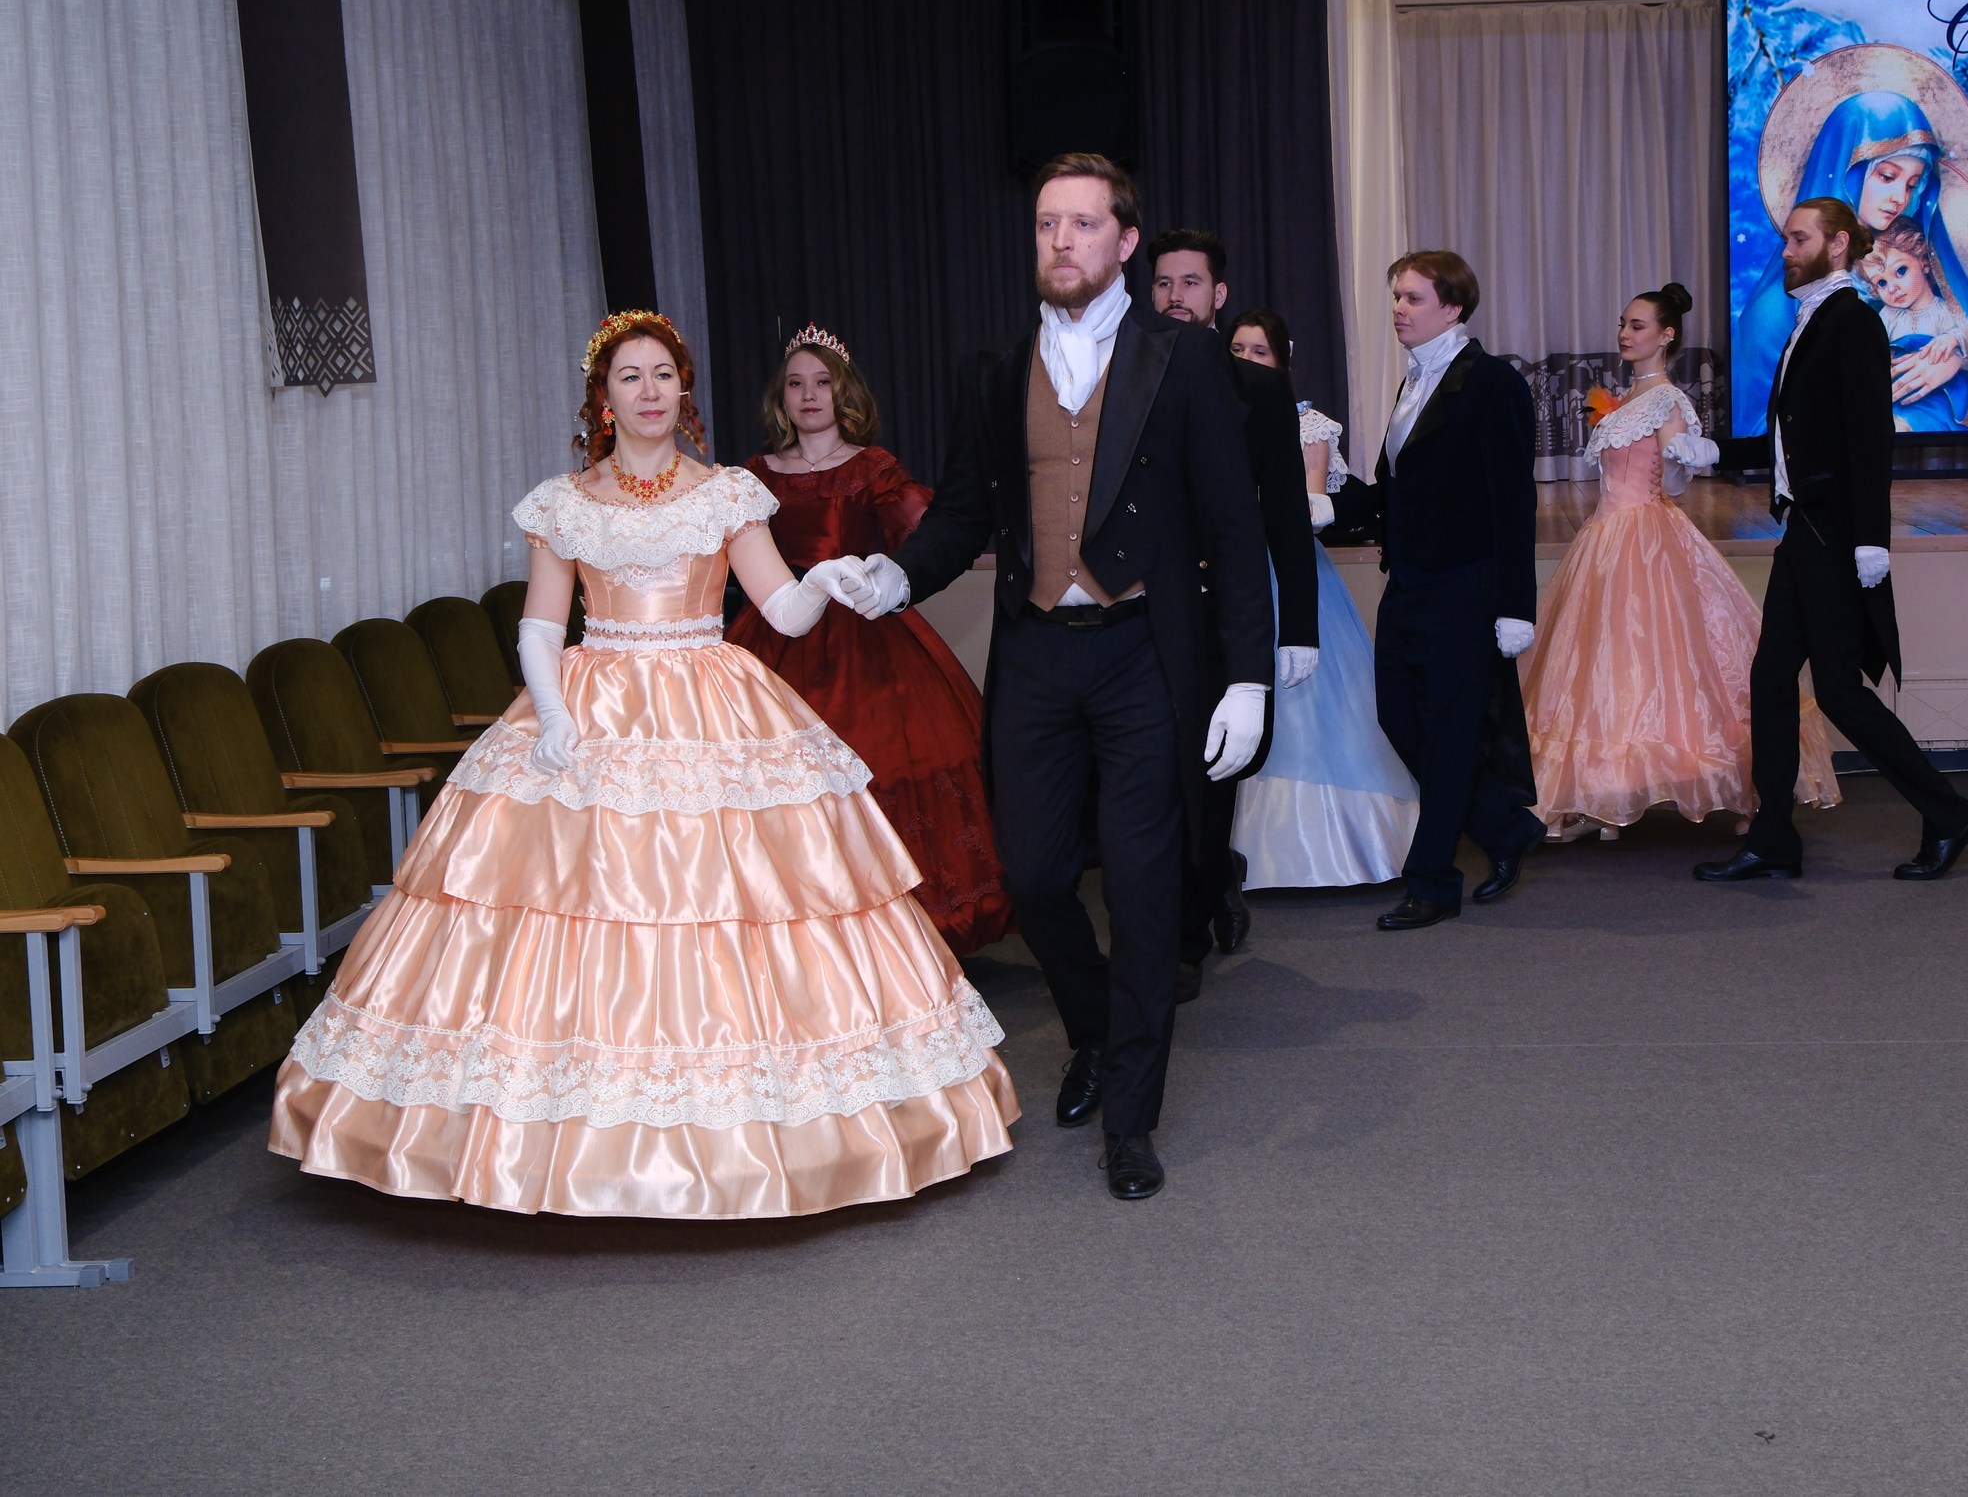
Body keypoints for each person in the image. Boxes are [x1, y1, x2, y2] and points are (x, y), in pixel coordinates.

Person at [271, 311, 1018, 1218]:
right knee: (561, 908)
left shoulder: (728, 492)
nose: (650, 390)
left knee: (733, 904)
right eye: (630, 376)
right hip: (593, 706)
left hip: (709, 701)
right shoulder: (565, 502)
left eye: (663, 374)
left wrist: (823, 580)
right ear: (605, 397)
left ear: (683, 390)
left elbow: (781, 611)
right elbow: (541, 626)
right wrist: (551, 714)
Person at [838, 155, 1273, 1200]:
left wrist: (1248, 678)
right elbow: (962, 516)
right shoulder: (994, 371)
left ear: (1124, 240)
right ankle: (1095, 1031)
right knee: (1033, 878)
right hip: (1036, 650)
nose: (1061, 241)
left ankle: (1131, 1116)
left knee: (1141, 887)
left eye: (1081, 224)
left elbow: (1231, 521)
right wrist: (895, 575)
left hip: (1144, 651)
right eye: (1046, 225)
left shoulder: (1182, 358)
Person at [1699, 200, 1968, 884]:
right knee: (1772, 678)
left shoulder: (1852, 319)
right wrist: (1716, 450)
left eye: (1798, 239)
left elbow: (1868, 435)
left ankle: (1949, 813)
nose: (1786, 249)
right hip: (1805, 527)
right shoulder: (1814, 317)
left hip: (1831, 532)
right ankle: (1773, 836)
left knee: (1838, 691)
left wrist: (1870, 539)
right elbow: (1794, 435)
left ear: (1836, 245)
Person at [728, 326, 1010, 956]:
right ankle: (802, 933)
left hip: (864, 632)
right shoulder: (753, 476)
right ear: (781, 397)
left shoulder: (871, 466)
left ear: (844, 391)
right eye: (796, 384)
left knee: (886, 763)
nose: (809, 395)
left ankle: (899, 935)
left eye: (822, 382)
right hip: (776, 630)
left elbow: (929, 532)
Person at [1523, 284, 1840, 841]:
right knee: (1606, 667)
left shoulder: (1668, 400)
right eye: (1623, 324)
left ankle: (1741, 788)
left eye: (1638, 325)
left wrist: (1679, 453)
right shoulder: (1625, 398)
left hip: (1645, 537)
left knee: (1660, 662)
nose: (1625, 334)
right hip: (1603, 538)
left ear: (1666, 335)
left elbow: (1673, 481)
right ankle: (1600, 797)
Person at [1146, 228, 1319, 986]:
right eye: (1163, 283)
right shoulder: (1121, 377)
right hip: (1139, 611)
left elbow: (1284, 515)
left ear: (1218, 294)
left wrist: (1299, 627)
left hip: (1219, 610)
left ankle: (1188, 935)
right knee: (1151, 775)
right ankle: (1199, 891)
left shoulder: (1258, 389)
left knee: (1209, 776)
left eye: (1190, 282)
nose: (1175, 296)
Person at [1368, 249, 1544, 930]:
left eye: (1412, 298)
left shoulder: (1491, 382)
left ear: (1453, 307)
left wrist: (1515, 605)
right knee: (1398, 717)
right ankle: (1504, 825)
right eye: (1396, 297)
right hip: (1410, 585)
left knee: (1447, 736)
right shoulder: (1414, 380)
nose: (1398, 309)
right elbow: (1403, 486)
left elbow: (1513, 499)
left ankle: (1433, 881)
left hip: (1466, 588)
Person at [1227, 308, 1421, 887]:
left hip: (1286, 570)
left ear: (1281, 360)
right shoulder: (1212, 414)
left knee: (1306, 703)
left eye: (1259, 351)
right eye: (1237, 350)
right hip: (1233, 570)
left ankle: (1328, 847)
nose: (1247, 361)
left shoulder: (1305, 424)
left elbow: (1309, 509)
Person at [1735, 85, 1968, 436]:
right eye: (1887, 176)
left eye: (1912, 185)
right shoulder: (1774, 309)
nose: (1900, 198)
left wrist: (1955, 363)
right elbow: (1761, 424)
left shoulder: (1917, 257)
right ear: (1847, 170)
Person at [1861, 217, 1968, 432]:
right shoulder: (1887, 315)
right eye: (1881, 283)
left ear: (1924, 261)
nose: (1892, 288)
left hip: (1939, 396)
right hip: (1899, 396)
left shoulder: (1945, 310)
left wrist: (1952, 339)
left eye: (1900, 271)